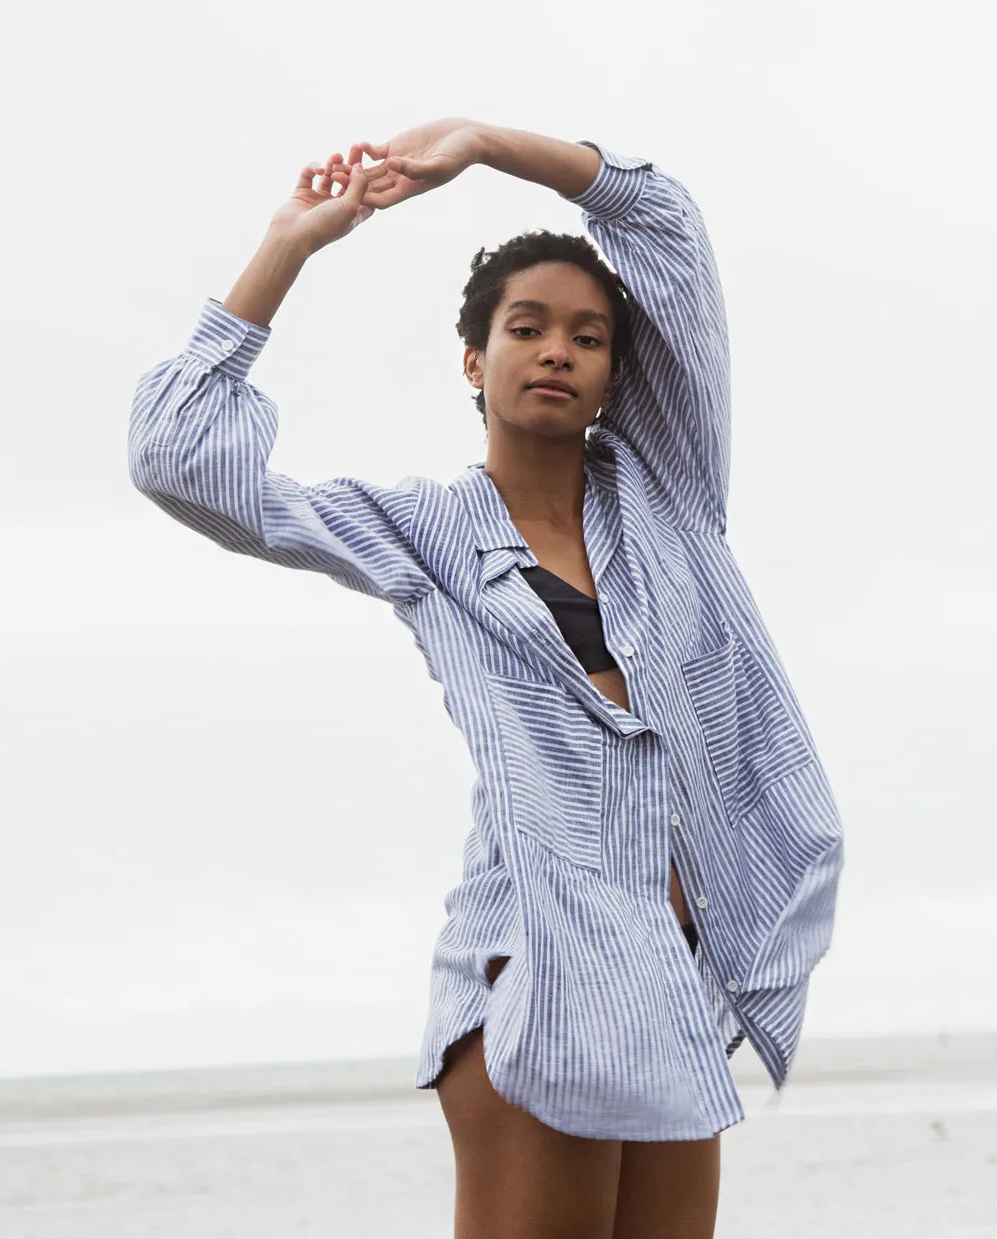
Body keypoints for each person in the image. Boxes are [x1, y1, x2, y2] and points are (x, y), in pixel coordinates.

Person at [128, 118, 845, 1239]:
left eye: (589, 336)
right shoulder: (420, 532)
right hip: (539, 979)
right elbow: (180, 459)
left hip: (676, 988)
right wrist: (291, 244)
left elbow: (664, 222)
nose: (558, 349)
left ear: (614, 373)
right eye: (527, 327)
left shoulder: (669, 498)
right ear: (476, 360)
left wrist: (477, 143)